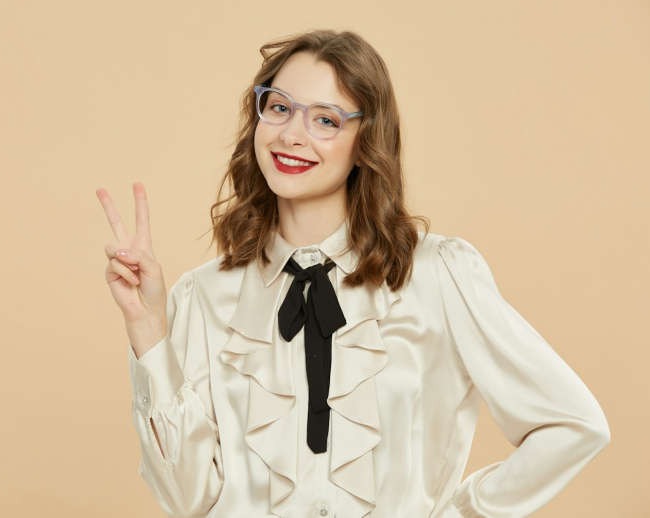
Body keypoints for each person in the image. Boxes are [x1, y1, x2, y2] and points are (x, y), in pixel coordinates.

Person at [96, 29, 610, 518]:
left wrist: (463, 511)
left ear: (367, 140)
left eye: (326, 119)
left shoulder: (437, 276)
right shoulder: (203, 296)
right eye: (279, 108)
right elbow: (185, 498)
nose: (292, 134)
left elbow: (573, 425)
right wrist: (148, 330)